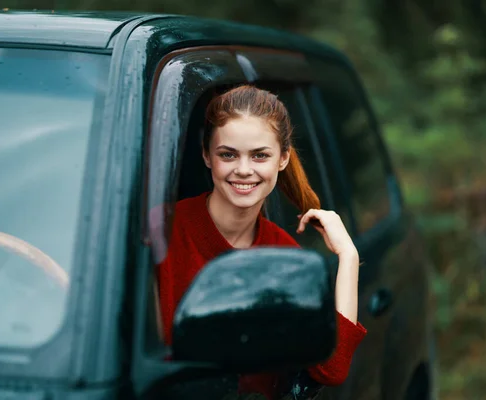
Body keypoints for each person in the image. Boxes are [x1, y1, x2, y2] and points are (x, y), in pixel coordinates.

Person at [156, 85, 367, 400]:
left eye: (260, 155)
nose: (243, 170)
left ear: (282, 159)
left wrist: (348, 257)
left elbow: (331, 369)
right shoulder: (159, 228)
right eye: (228, 154)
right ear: (206, 155)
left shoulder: (283, 256)